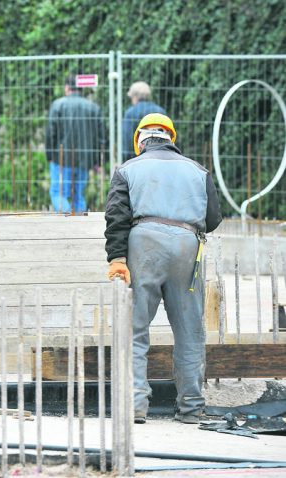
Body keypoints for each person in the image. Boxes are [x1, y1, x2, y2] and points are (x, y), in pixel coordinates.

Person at [104, 113, 222, 424]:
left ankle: (135, 405)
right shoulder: (198, 170)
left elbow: (116, 216)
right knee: (189, 331)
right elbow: (213, 219)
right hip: (188, 244)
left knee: (135, 328)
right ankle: (192, 406)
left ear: (140, 141)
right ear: (171, 138)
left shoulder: (127, 170)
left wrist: (117, 258)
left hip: (145, 244)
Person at [45, 75, 106, 213]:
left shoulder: (57, 105)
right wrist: (97, 161)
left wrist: (50, 156)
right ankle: (79, 227)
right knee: (79, 196)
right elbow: (101, 137)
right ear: (81, 88)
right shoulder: (93, 108)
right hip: (85, 160)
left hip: (60, 159)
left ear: (67, 87)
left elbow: (50, 134)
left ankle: (66, 222)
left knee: (58, 193)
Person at [122, 81, 166, 163]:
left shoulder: (130, 113)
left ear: (135, 96)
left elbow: (127, 138)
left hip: (137, 158)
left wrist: (126, 158)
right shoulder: (160, 111)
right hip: (160, 156)